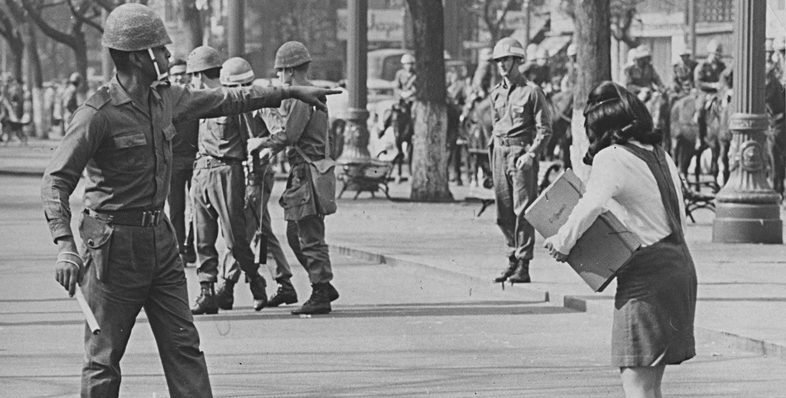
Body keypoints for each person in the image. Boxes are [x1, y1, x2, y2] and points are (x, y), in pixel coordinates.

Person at [40, 4, 337, 397]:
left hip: (160, 245)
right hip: (112, 248)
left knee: (184, 349)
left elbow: (230, 100)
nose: (166, 57)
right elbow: (56, 180)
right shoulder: (98, 113)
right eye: (160, 50)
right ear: (136, 56)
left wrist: (291, 91)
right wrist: (65, 246)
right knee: (103, 359)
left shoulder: (167, 98)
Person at [544, 81, 697, 398]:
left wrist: (562, 241)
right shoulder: (661, 155)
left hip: (645, 277)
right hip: (679, 268)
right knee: (651, 385)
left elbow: (591, 203)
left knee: (636, 385)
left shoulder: (612, 157)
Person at [248, 41, 340, 315]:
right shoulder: (310, 95)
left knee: (306, 234)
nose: (278, 77)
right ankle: (322, 283)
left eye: (279, 72)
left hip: (306, 172)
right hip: (310, 170)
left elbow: (290, 135)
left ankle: (321, 290)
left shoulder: (302, 98)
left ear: (289, 71)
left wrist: (261, 143)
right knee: (297, 231)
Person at [187, 47, 271, 314]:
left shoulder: (231, 101)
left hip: (227, 171)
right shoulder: (198, 100)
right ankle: (206, 291)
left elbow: (253, 142)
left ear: (200, 75)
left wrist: (254, 181)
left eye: (193, 75)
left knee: (235, 239)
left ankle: (256, 281)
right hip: (202, 170)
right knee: (203, 236)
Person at [214, 56, 299, 310]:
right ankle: (284, 282)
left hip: (255, 174)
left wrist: (260, 144)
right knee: (261, 229)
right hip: (241, 174)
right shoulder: (232, 104)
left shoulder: (259, 104)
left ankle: (227, 284)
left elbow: (281, 133)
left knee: (241, 230)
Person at [488, 37, 552, 285]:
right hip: (499, 153)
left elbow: (545, 129)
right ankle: (512, 257)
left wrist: (531, 154)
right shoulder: (496, 93)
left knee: (523, 210)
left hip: (520, 154)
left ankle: (523, 264)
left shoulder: (532, 92)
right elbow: (495, 126)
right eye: (499, 61)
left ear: (518, 61)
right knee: (503, 212)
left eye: (506, 60)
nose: (502, 65)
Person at [166, 58, 198, 265]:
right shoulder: (165, 100)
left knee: (198, 208)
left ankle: (192, 245)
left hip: (196, 160)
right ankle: (180, 249)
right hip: (174, 161)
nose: (179, 77)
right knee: (176, 208)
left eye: (183, 74)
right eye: (175, 74)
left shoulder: (196, 97)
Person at [694, 39, 727, 151]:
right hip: (704, 93)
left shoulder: (722, 66)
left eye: (719, 55)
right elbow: (698, 83)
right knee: (700, 111)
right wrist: (713, 85)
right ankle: (700, 137)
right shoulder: (702, 66)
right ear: (710, 53)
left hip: (719, 94)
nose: (717, 57)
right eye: (715, 54)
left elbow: (726, 79)